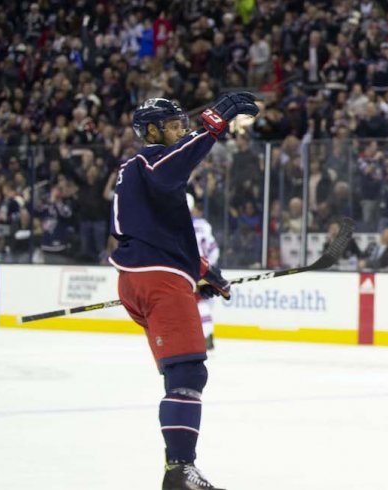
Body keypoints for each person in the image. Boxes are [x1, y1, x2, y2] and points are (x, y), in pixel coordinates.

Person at [110, 94, 258, 490]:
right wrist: (214, 121)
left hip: (142, 277)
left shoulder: (135, 172)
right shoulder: (151, 161)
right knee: (188, 372)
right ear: (153, 131)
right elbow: (172, 169)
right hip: (159, 280)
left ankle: (177, 468)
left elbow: (156, 233)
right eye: (174, 125)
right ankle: (179, 470)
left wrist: (204, 271)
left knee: (179, 374)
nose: (180, 131)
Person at [188, 193, 220, 351]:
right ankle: (207, 335)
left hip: (187, 270)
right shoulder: (204, 224)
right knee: (204, 303)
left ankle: (202, 336)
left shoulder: (173, 225)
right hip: (204, 268)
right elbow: (214, 251)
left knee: (192, 303)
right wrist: (209, 269)